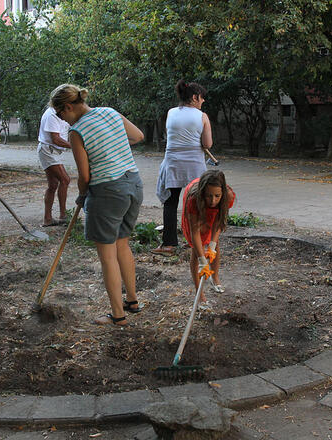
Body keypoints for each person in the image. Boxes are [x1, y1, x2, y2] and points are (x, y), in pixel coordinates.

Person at [51, 83, 144, 327]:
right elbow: (138, 136)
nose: (63, 121)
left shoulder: (77, 131)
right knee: (122, 244)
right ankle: (132, 301)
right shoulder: (110, 112)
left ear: (69, 107)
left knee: (107, 255)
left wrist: (82, 195)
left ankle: (117, 315)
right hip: (133, 184)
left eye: (61, 116)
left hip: (108, 192)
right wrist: (111, 146)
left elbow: (85, 177)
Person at [152, 80, 213, 256]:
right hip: (194, 166)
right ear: (194, 97)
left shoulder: (171, 113)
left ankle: (169, 245)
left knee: (171, 203)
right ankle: (195, 240)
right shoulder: (202, 117)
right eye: (201, 98)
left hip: (172, 163)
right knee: (194, 203)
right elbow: (207, 143)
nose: (203, 101)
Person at [181, 170, 235, 303]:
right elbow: (195, 232)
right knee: (196, 249)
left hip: (212, 213)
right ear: (203, 193)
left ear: (222, 193)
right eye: (209, 196)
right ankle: (199, 294)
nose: (213, 201)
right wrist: (202, 261)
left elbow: (218, 223)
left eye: (217, 196)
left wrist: (211, 246)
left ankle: (214, 277)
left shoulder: (227, 196)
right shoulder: (193, 199)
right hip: (198, 208)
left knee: (215, 245)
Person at [37, 105, 72, 226]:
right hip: (48, 150)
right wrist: (76, 146)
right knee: (65, 180)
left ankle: (48, 219)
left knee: (53, 185)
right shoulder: (52, 114)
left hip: (54, 151)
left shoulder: (62, 112)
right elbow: (56, 139)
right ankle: (63, 215)